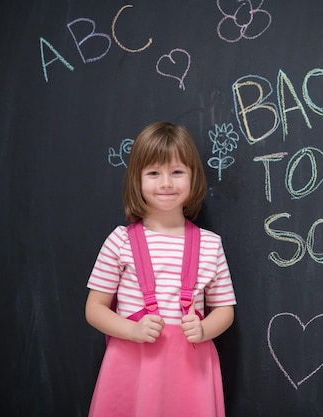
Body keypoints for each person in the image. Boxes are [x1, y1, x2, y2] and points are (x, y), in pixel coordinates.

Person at [85, 122, 236, 417]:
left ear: (193, 177)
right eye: (154, 173)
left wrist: (204, 328)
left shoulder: (210, 244)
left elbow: (225, 310)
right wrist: (133, 330)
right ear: (137, 180)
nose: (166, 183)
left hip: (192, 372)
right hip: (132, 368)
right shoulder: (120, 241)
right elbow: (94, 309)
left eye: (177, 172)